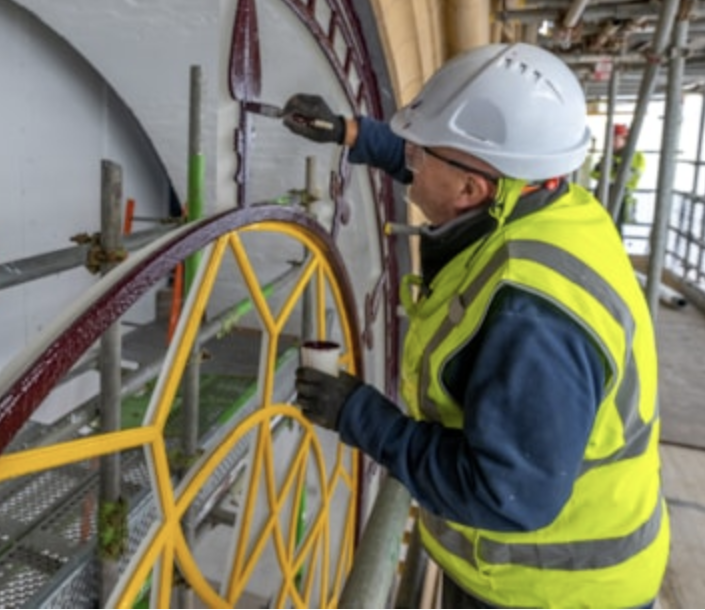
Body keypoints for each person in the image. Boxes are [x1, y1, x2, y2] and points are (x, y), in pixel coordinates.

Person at [284, 43, 668, 609]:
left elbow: (504, 497)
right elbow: (456, 167)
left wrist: (357, 415)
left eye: (419, 151)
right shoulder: (553, 203)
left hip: (548, 591)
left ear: (471, 189)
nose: (408, 157)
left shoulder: (533, 316)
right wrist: (352, 134)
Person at [591, 123, 646, 225]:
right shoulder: (609, 155)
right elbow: (594, 174)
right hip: (602, 194)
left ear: (625, 139)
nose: (612, 142)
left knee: (614, 229)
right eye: (611, 139)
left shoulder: (636, 157)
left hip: (621, 198)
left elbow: (626, 178)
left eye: (616, 139)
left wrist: (613, 167)